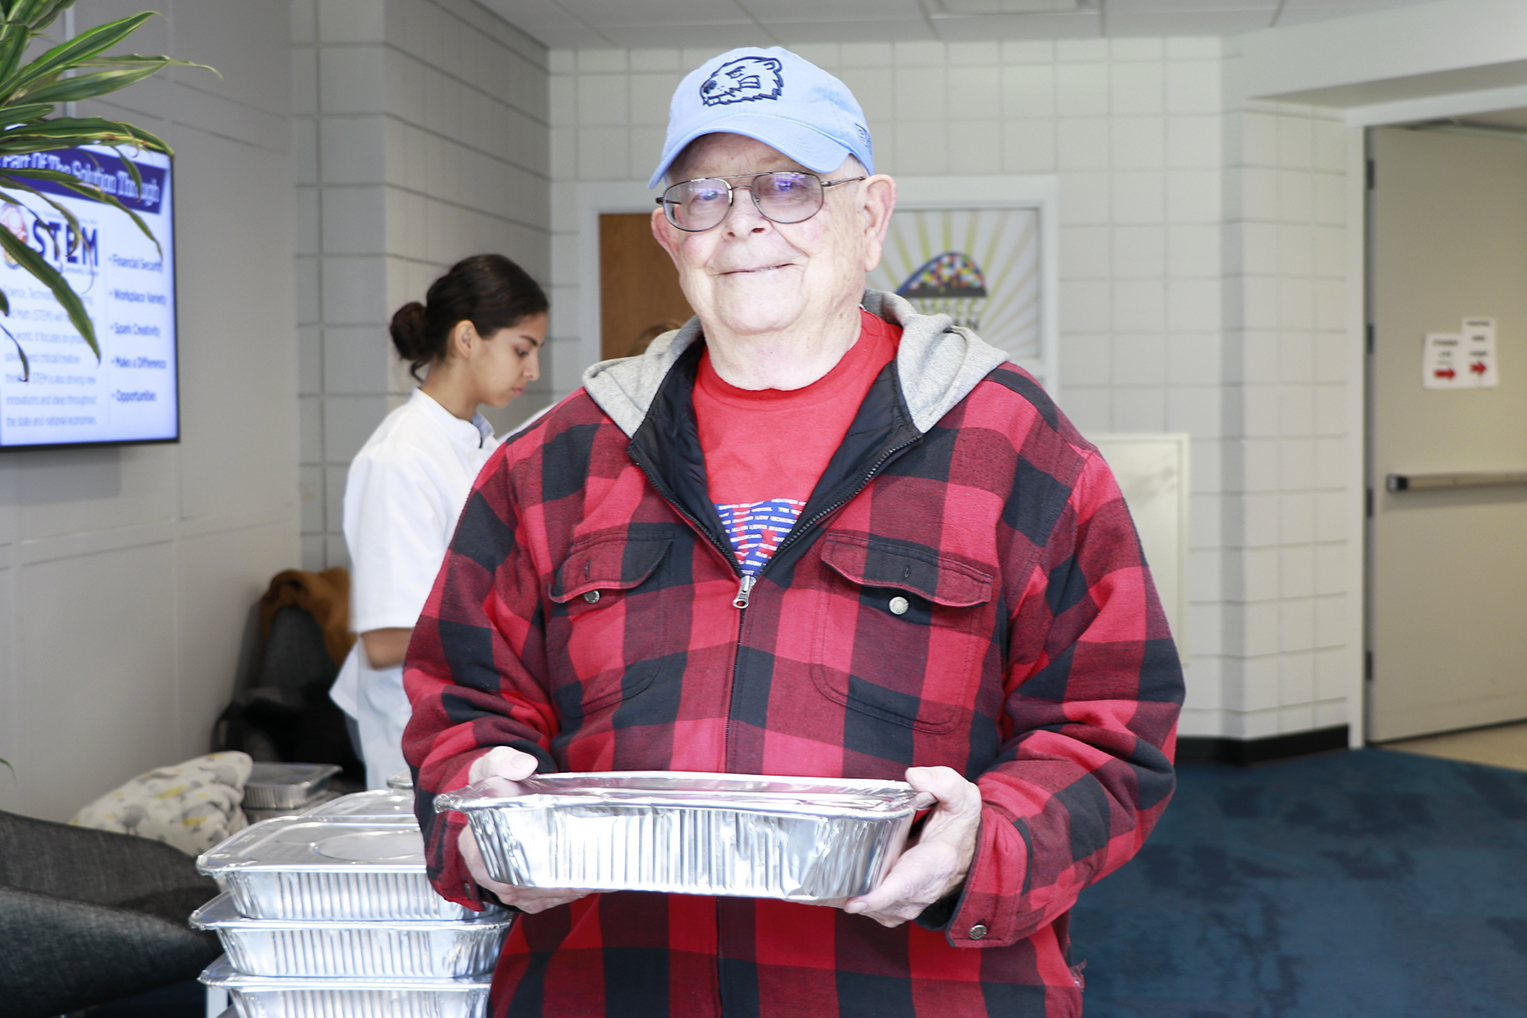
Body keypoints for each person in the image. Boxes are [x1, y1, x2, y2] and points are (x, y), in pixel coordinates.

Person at [404, 47, 1183, 1017]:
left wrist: (986, 842)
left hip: (916, 993)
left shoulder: (1015, 446)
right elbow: (459, 706)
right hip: (618, 985)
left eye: (790, 186)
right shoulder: (551, 462)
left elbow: (1113, 738)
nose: (744, 225)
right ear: (668, 232)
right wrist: (477, 809)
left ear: (871, 216)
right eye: (702, 195)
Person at [331, 253, 546, 789]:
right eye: (522, 349)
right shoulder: (400, 457)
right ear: (467, 338)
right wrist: (519, 643)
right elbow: (385, 639)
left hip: (481, 714)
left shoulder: (479, 444)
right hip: (419, 727)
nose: (532, 370)